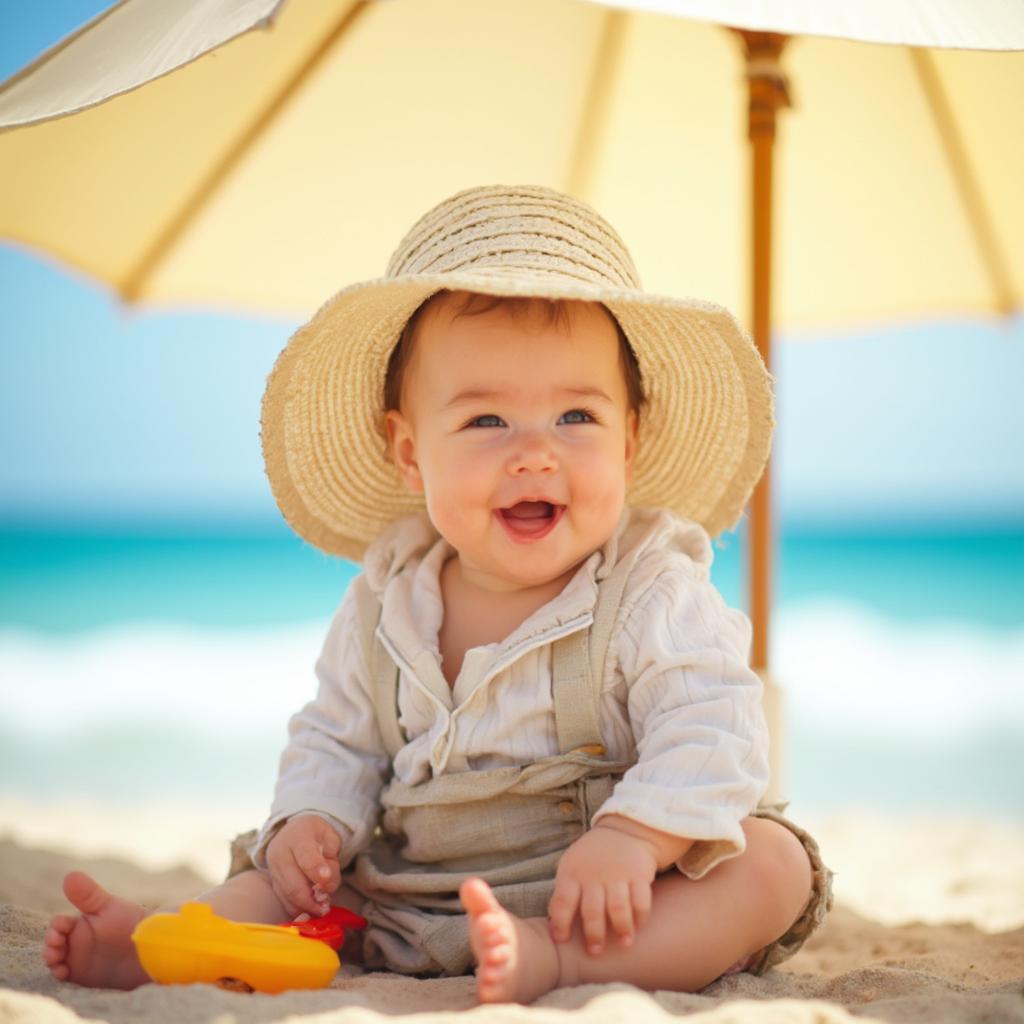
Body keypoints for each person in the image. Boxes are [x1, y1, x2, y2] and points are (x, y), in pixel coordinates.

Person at [42, 184, 832, 1003]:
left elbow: (715, 729)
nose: (534, 453)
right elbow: (336, 741)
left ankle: (556, 966)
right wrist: (311, 822)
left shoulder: (651, 591)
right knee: (281, 879)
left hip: (603, 901)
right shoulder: (386, 603)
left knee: (769, 865)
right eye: (487, 421)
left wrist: (635, 836)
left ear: (629, 442)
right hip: (406, 899)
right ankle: (169, 943)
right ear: (410, 452)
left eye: (576, 416)